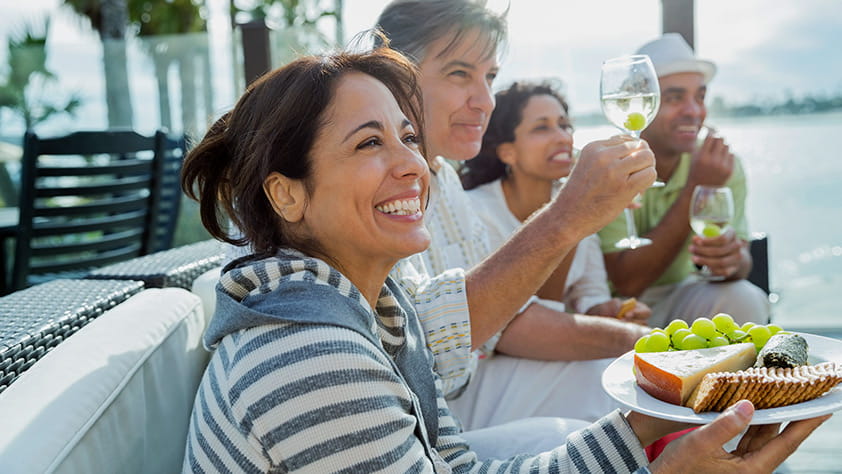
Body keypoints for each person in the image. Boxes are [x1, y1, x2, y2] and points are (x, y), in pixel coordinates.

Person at [180, 43, 829, 474]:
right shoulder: (311, 357)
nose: (415, 163)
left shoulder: (363, 311)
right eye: (369, 143)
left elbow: (461, 468)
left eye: (409, 136)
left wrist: (641, 426)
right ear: (286, 193)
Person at [377, 0, 651, 429]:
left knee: (635, 385)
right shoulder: (383, 184)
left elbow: (504, 317)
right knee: (618, 401)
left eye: (489, 77)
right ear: (390, 74)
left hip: (469, 386)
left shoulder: (445, 178)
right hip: (424, 417)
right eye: (459, 73)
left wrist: (647, 342)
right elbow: (432, 339)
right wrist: (569, 216)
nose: (484, 100)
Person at [597, 33, 769, 329]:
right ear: (640, 103)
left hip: (685, 296)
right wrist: (695, 186)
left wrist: (730, 259)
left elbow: (741, 263)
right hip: (617, 308)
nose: (694, 111)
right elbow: (627, 282)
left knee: (745, 297)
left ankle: (730, 377)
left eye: (700, 96)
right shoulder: (610, 165)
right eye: (676, 97)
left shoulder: (720, 162)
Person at [462, 80, 652, 322]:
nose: (563, 137)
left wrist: (611, 311)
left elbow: (590, 294)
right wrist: (574, 218)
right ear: (507, 152)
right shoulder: (476, 213)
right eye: (542, 128)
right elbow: (530, 319)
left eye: (565, 125)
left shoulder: (579, 200)